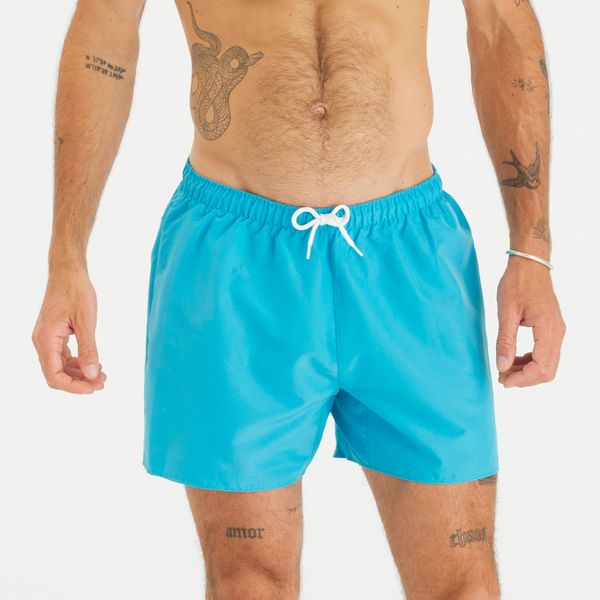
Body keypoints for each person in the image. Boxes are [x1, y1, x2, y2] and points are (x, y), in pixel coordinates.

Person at [32, 0, 566, 597]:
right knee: (249, 584)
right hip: (233, 258)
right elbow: (103, 35)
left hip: (408, 256)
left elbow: (499, 26)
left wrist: (532, 250)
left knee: (462, 585)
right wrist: (66, 256)